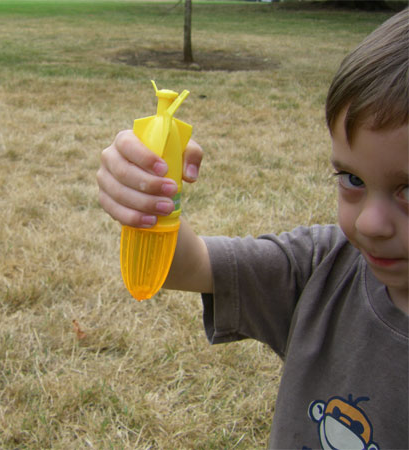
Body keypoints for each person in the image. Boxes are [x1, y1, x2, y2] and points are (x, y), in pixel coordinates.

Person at [97, 8, 408, 449]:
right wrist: (147, 198)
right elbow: (184, 267)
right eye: (352, 180)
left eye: (407, 190)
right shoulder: (320, 271)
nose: (370, 224)